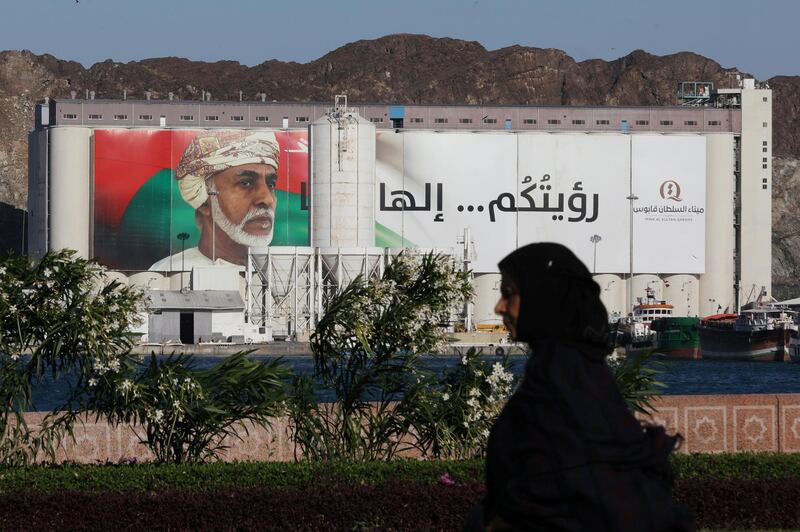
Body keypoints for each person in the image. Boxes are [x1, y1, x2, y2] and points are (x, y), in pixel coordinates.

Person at [467, 242, 693, 531]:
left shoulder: (559, 385)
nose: (499, 307)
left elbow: (563, 490)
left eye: (509, 295)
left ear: (542, 299)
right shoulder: (575, 374)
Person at [149, 130, 280, 271]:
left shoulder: (284, 275)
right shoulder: (171, 272)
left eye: (271, 185)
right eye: (245, 183)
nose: (267, 199)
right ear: (205, 202)